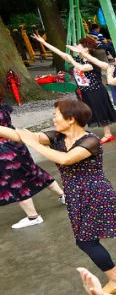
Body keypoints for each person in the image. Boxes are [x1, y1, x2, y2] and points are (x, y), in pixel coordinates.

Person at [14, 99, 116, 292]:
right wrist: (23, 137)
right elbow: (18, 135)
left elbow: (66, 159)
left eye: (56, 115)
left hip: (94, 192)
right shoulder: (57, 137)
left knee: (86, 241)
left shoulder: (91, 141)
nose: (53, 119)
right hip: (75, 194)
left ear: (71, 119)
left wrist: (32, 143)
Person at [33, 33, 116, 142]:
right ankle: (80, 133)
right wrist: (44, 42)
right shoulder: (78, 60)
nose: (76, 47)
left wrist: (71, 60)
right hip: (84, 91)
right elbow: (60, 53)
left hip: (96, 91)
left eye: (79, 46)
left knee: (101, 111)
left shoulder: (92, 62)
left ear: (86, 49)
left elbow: (81, 68)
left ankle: (108, 134)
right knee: (87, 111)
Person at [0, 90, 65, 229]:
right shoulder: (3, 103)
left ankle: (33, 217)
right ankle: (63, 195)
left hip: (4, 150)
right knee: (33, 171)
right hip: (16, 143)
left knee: (15, 181)